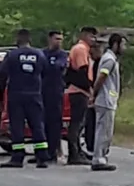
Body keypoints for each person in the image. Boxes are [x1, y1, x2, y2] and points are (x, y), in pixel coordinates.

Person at [0, 29, 49, 168]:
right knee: (37, 125)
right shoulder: (39, 54)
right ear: (29, 39)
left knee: (17, 126)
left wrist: (1, 91)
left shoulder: (12, 55)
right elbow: (46, 72)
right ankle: (42, 157)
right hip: (35, 94)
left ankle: (18, 157)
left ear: (17, 40)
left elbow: (2, 73)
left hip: (16, 94)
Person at [90, 33, 126, 171]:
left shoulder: (110, 59)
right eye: (122, 44)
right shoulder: (109, 60)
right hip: (105, 100)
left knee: (105, 131)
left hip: (108, 100)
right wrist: (94, 94)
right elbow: (102, 77)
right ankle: (98, 158)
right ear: (115, 44)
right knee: (103, 131)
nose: (124, 48)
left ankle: (101, 156)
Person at [65, 26, 98, 165]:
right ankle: (74, 154)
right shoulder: (80, 49)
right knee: (76, 124)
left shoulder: (84, 50)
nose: (94, 40)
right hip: (79, 91)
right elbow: (81, 72)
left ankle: (78, 151)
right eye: (91, 36)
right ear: (84, 35)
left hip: (80, 91)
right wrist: (90, 89)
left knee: (79, 124)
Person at [41, 30, 69, 162]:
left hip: (56, 93)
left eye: (61, 39)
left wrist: (48, 66)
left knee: (55, 124)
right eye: (56, 38)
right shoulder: (42, 53)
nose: (59, 41)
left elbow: (59, 66)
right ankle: (42, 153)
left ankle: (53, 152)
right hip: (41, 92)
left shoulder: (62, 54)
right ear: (50, 39)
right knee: (41, 123)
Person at [85, 42, 103, 157]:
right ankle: (91, 147)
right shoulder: (93, 62)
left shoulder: (100, 63)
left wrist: (93, 94)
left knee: (94, 123)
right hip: (92, 95)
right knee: (90, 122)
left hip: (97, 96)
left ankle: (93, 147)